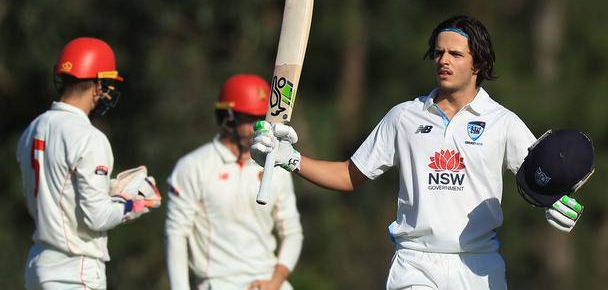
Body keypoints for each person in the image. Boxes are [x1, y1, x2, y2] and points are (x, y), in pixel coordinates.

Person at [251, 15, 585, 290]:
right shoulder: (404, 117)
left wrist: (560, 207)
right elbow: (349, 175)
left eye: (456, 54)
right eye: (439, 53)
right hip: (415, 264)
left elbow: (544, 179)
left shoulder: (503, 122)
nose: (443, 61)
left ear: (478, 63)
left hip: (479, 267)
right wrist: (290, 158)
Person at [16, 37, 159, 290]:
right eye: (107, 85)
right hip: (74, 269)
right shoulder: (89, 137)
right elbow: (97, 217)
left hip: (38, 262)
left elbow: (55, 197)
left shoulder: (32, 129)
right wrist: (137, 203)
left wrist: (109, 190)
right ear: (97, 85)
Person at [165, 74, 303, 290]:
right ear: (228, 117)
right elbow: (176, 236)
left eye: (262, 118)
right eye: (249, 118)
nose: (258, 127)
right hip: (218, 282)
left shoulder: (275, 167)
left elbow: (292, 232)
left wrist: (275, 281)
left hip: (267, 281)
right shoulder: (193, 166)